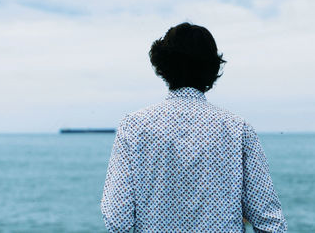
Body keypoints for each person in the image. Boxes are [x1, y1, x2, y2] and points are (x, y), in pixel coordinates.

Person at [101, 22, 287, 232]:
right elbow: (269, 221)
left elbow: (118, 220)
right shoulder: (238, 130)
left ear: (163, 66)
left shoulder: (133, 126)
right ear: (212, 68)